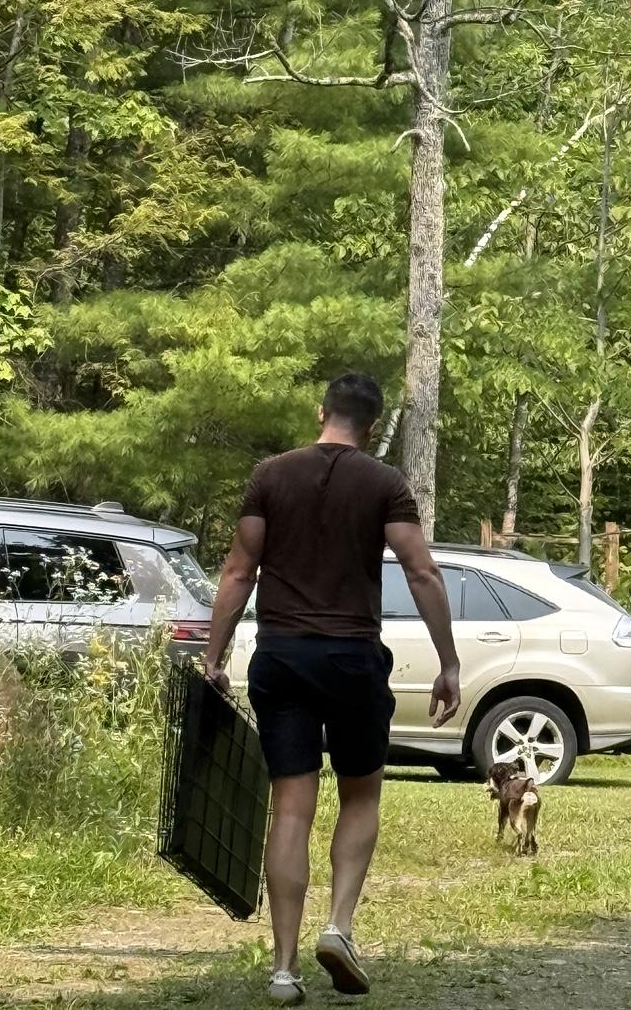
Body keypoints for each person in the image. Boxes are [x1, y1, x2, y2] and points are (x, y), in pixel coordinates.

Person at [204, 372, 461, 1005]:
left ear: (322, 412)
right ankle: (339, 927)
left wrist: (213, 655)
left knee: (292, 807)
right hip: (351, 659)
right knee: (361, 795)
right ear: (371, 427)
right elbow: (422, 570)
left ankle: (284, 969)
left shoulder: (271, 474)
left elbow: (240, 569)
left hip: (282, 657)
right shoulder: (383, 483)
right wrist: (448, 661)